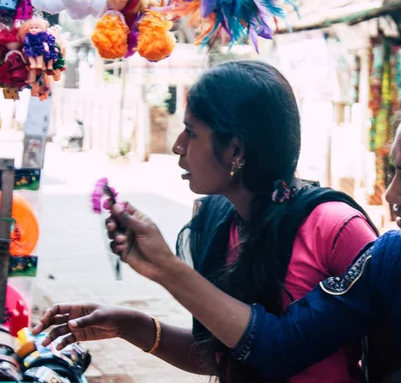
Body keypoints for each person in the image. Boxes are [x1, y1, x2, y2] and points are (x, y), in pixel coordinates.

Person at [35, 82, 401, 382]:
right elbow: (277, 348)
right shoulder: (392, 260)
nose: (391, 197)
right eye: (393, 172)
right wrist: (159, 279)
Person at [31, 60, 379, 383]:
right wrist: (128, 324)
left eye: (191, 133)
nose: (177, 146)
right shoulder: (219, 220)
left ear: (236, 150)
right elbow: (225, 355)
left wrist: (167, 268)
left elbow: (386, 352)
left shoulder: (337, 228)